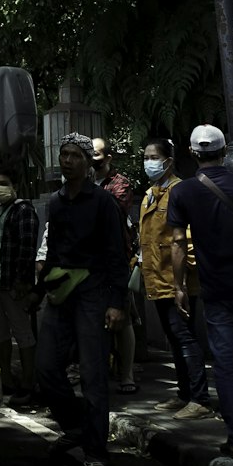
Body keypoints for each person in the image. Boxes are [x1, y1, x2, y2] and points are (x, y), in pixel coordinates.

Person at [35, 132, 129, 466]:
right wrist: (39, 290)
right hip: (62, 294)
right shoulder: (56, 202)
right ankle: (76, 426)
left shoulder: (103, 203)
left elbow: (117, 256)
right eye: (64, 154)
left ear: (88, 162)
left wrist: (116, 303)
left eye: (75, 155)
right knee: (45, 367)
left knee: (92, 374)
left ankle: (96, 450)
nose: (68, 160)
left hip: (95, 292)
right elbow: (54, 251)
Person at [168, 125, 233, 461]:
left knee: (225, 367)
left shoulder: (183, 192)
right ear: (225, 149)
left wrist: (179, 286)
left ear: (191, 152)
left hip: (216, 289)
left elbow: (175, 243)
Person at [139, 136, 211, 418]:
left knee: (184, 337)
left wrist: (181, 281)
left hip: (178, 281)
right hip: (157, 279)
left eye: (153, 157)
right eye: (145, 157)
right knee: (175, 337)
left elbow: (188, 241)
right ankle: (184, 394)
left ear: (169, 161)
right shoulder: (150, 193)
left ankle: (200, 399)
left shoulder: (181, 191)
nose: (148, 163)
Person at [0, 170, 39, 400]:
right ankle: (5, 378)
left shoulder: (23, 210)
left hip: (12, 283)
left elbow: (27, 249)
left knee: (22, 332)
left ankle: (28, 382)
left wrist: (21, 282)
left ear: (14, 184)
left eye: (3, 183)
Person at [92, 137, 139, 394]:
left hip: (116, 258)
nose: (90, 159)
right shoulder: (83, 183)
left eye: (96, 155)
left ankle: (127, 374)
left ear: (108, 158)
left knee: (123, 317)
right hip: (89, 262)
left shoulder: (120, 185)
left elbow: (112, 213)